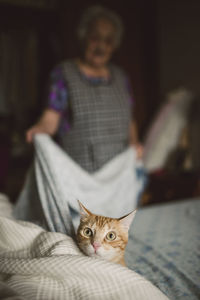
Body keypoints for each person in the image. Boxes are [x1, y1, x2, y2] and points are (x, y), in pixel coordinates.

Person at [26, 5, 143, 173]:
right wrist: (40, 130)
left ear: (114, 45)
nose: (101, 46)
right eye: (95, 38)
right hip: (81, 177)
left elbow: (130, 121)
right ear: (84, 37)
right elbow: (51, 118)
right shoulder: (63, 73)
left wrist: (135, 147)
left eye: (108, 40)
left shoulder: (121, 76)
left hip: (120, 175)